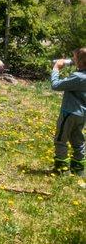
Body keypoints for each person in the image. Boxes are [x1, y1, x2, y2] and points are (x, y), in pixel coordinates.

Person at [51, 47, 86, 176]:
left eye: (75, 59)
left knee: (61, 139)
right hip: (82, 115)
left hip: (69, 113)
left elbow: (56, 85)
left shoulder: (78, 77)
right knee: (78, 140)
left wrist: (56, 69)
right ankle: (79, 169)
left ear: (80, 62)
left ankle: (62, 169)